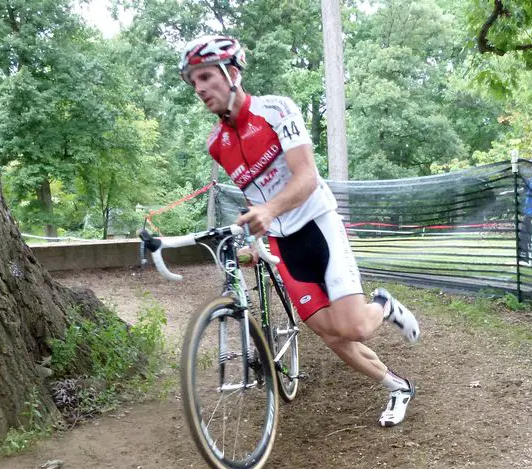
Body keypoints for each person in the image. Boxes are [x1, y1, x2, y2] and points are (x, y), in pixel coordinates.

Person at [178, 35, 420, 427]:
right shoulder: (217, 143)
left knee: (355, 326)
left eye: (205, 76)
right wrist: (257, 234)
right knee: (332, 334)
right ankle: (397, 386)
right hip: (282, 242)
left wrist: (269, 210)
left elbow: (306, 177)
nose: (200, 88)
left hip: (317, 223)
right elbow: (252, 193)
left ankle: (384, 305)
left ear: (232, 73)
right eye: (194, 83)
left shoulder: (276, 110)